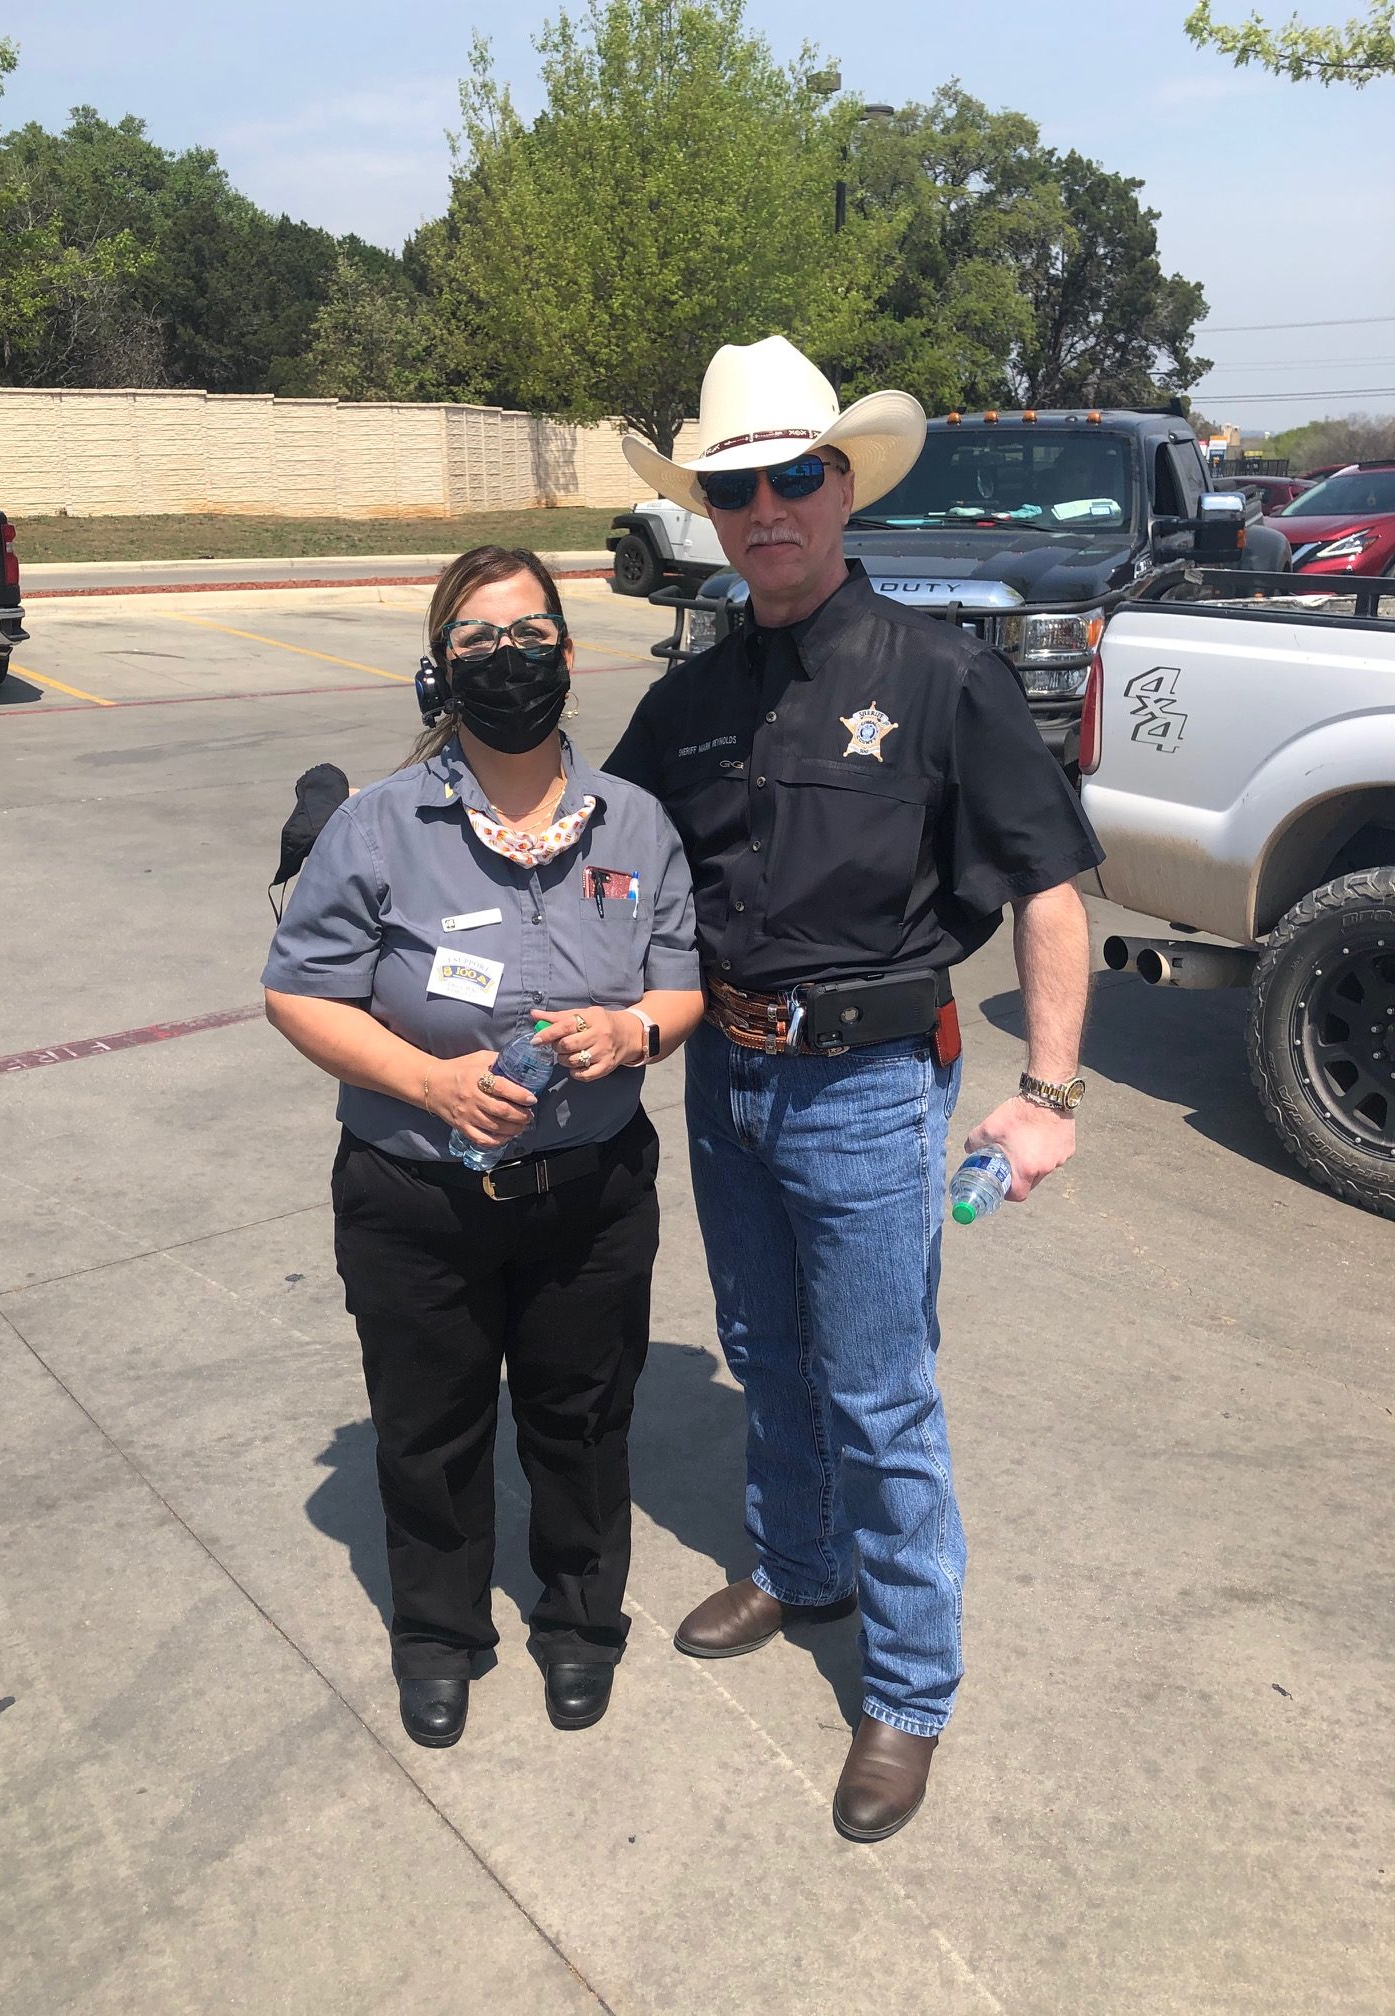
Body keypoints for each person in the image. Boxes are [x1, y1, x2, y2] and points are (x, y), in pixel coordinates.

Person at [607, 337, 1101, 1842]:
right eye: (734, 489)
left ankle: (908, 1688)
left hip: (870, 1089)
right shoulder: (690, 699)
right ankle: (800, 1565)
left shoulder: (941, 674)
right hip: (727, 1079)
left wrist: (1051, 1093)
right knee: (764, 1347)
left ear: (841, 486)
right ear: (708, 511)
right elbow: (603, 846)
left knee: (881, 1394)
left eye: (791, 479)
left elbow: (1051, 884)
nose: (765, 510)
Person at [262, 545, 705, 1749]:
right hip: (416, 1192)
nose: (508, 658)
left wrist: (633, 1030)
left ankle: (580, 1622)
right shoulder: (377, 826)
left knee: (582, 1417)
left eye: (529, 635)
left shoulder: (637, 823)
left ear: (567, 651)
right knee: (429, 1426)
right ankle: (440, 1635)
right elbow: (298, 993)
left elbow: (680, 986)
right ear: (440, 669)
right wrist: (431, 1082)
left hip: (590, 1189)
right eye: (478, 640)